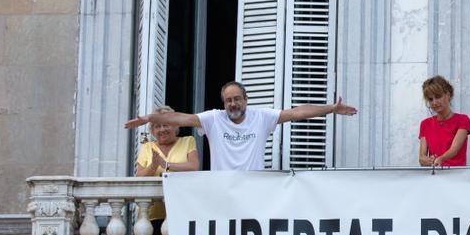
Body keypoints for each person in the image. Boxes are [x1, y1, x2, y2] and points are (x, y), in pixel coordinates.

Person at [124, 81, 358, 171]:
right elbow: (181, 118)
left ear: (245, 100)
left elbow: (297, 113)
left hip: (252, 190)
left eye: (237, 98)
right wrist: (149, 119)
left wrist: (331, 108)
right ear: (223, 103)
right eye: (228, 100)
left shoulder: (261, 116)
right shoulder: (214, 118)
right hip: (223, 192)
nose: (233, 103)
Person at [133, 106, 199, 235]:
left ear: (176, 125)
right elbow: (139, 177)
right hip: (152, 212)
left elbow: (193, 167)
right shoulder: (147, 147)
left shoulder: (187, 141)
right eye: (157, 126)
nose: (162, 129)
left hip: (180, 210)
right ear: (152, 130)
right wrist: (154, 166)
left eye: (167, 124)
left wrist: (166, 164)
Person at [418, 76, 470, 167]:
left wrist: (441, 159)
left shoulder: (463, 120)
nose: (434, 102)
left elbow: (454, 149)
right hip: (434, 176)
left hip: (457, 176)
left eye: (438, 97)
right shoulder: (425, 124)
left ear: (448, 95)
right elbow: (421, 157)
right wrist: (427, 160)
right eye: (430, 99)